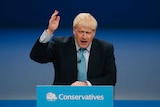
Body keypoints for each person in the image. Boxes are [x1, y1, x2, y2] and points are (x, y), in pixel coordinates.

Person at [30, 10, 117, 86]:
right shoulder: (60, 45)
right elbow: (37, 56)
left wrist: (86, 84)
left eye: (88, 33)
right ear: (74, 31)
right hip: (64, 98)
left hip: (94, 98)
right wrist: (49, 31)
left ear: (94, 33)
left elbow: (111, 78)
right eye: (81, 32)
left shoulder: (105, 49)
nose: (84, 36)